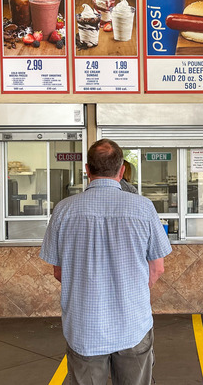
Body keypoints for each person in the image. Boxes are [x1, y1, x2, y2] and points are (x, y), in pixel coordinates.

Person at [40, 139, 172, 385]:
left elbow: (59, 272)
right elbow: (157, 268)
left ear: (87, 170)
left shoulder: (63, 210)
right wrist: (129, 291)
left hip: (84, 326)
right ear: (122, 170)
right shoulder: (143, 208)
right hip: (133, 323)